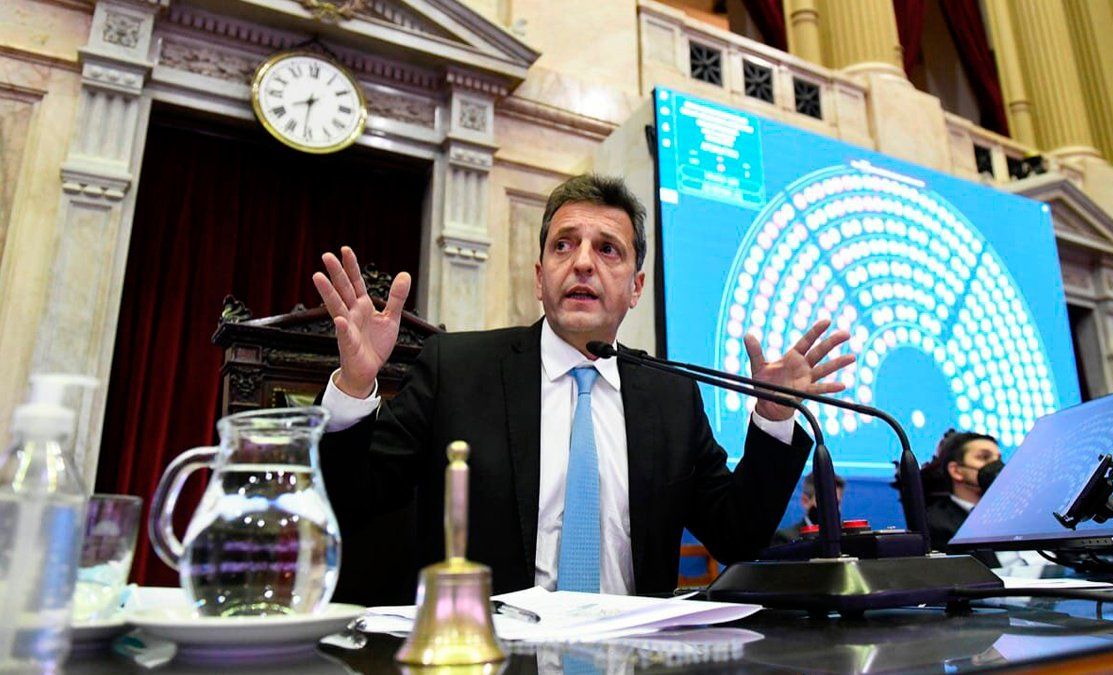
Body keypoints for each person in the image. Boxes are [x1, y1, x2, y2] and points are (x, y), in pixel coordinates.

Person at [312, 174, 855, 598]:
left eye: (607, 249)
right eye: (563, 246)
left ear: (636, 287)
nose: (582, 264)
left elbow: (737, 535)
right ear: (539, 276)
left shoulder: (670, 397)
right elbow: (351, 503)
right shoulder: (457, 368)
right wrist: (355, 384)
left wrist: (775, 418)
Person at [923, 429, 1002, 566]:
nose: (998, 466)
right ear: (956, 471)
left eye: (999, 459)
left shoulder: (1015, 512)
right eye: (984, 457)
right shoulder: (936, 524)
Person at [772, 472, 845, 545]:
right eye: (826, 503)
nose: (833, 509)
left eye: (837, 503)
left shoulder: (845, 537)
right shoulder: (786, 539)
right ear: (805, 501)